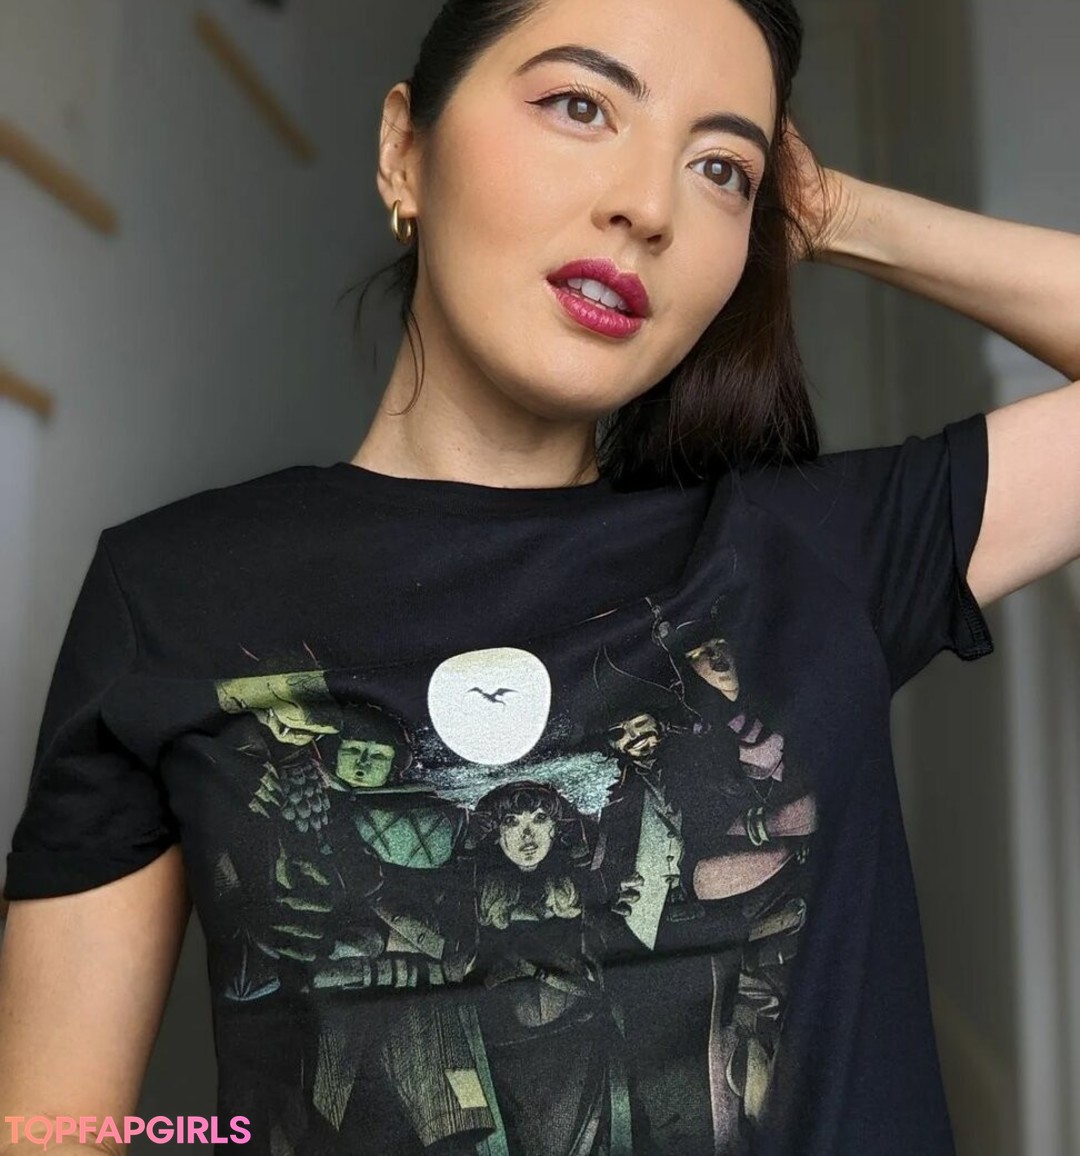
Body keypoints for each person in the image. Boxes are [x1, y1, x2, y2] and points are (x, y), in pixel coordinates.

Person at [1, 0, 1078, 1152]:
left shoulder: (811, 551)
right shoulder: (171, 593)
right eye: (580, 104)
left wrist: (840, 213)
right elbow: (54, 1131)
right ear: (403, 149)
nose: (649, 206)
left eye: (721, 169)